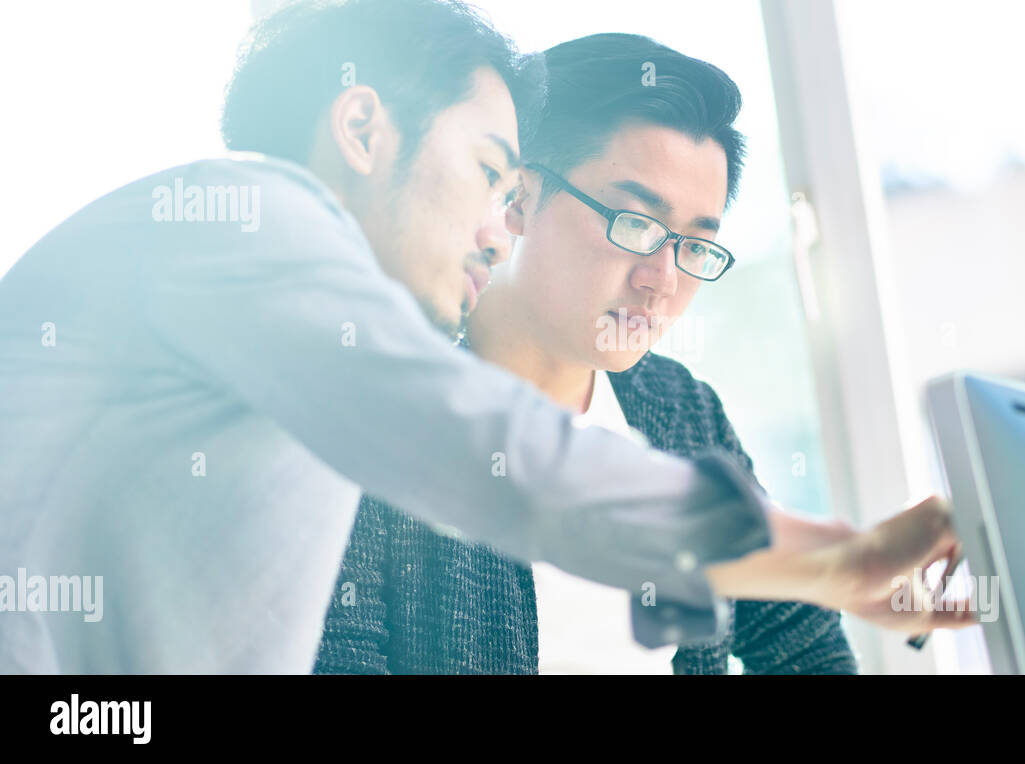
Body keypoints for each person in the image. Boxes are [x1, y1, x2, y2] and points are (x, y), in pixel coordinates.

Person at [0, 0, 970, 674]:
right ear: (362, 126)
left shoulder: (286, 353)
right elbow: (495, 460)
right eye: (488, 172)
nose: (496, 225)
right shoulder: (248, 220)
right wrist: (837, 559)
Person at [316, 33, 860, 674]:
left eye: (694, 245)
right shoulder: (382, 414)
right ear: (518, 197)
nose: (661, 280)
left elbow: (806, 642)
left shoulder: (679, 412)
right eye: (633, 224)